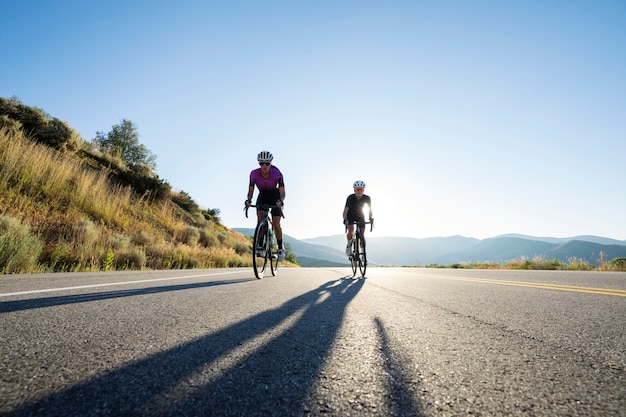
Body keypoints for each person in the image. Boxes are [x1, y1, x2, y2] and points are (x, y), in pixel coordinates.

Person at [245, 151, 286, 261]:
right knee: (260, 219)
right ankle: (260, 244)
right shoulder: (254, 174)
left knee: (276, 223)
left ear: (270, 163)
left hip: (275, 195)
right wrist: (248, 200)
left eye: (267, 164)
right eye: (261, 163)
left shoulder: (277, 173)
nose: (264, 166)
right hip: (262, 194)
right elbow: (250, 191)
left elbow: (282, 192)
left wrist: (280, 201)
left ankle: (281, 248)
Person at [342, 180, 373, 257]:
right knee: (351, 230)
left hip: (360, 215)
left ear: (363, 190)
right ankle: (349, 246)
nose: (359, 191)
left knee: (362, 235)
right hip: (350, 216)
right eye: (358, 189)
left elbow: (370, 209)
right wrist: (345, 219)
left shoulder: (367, 198)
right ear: (354, 190)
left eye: (361, 189)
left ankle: (363, 254)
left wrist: (370, 218)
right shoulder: (350, 198)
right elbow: (345, 211)